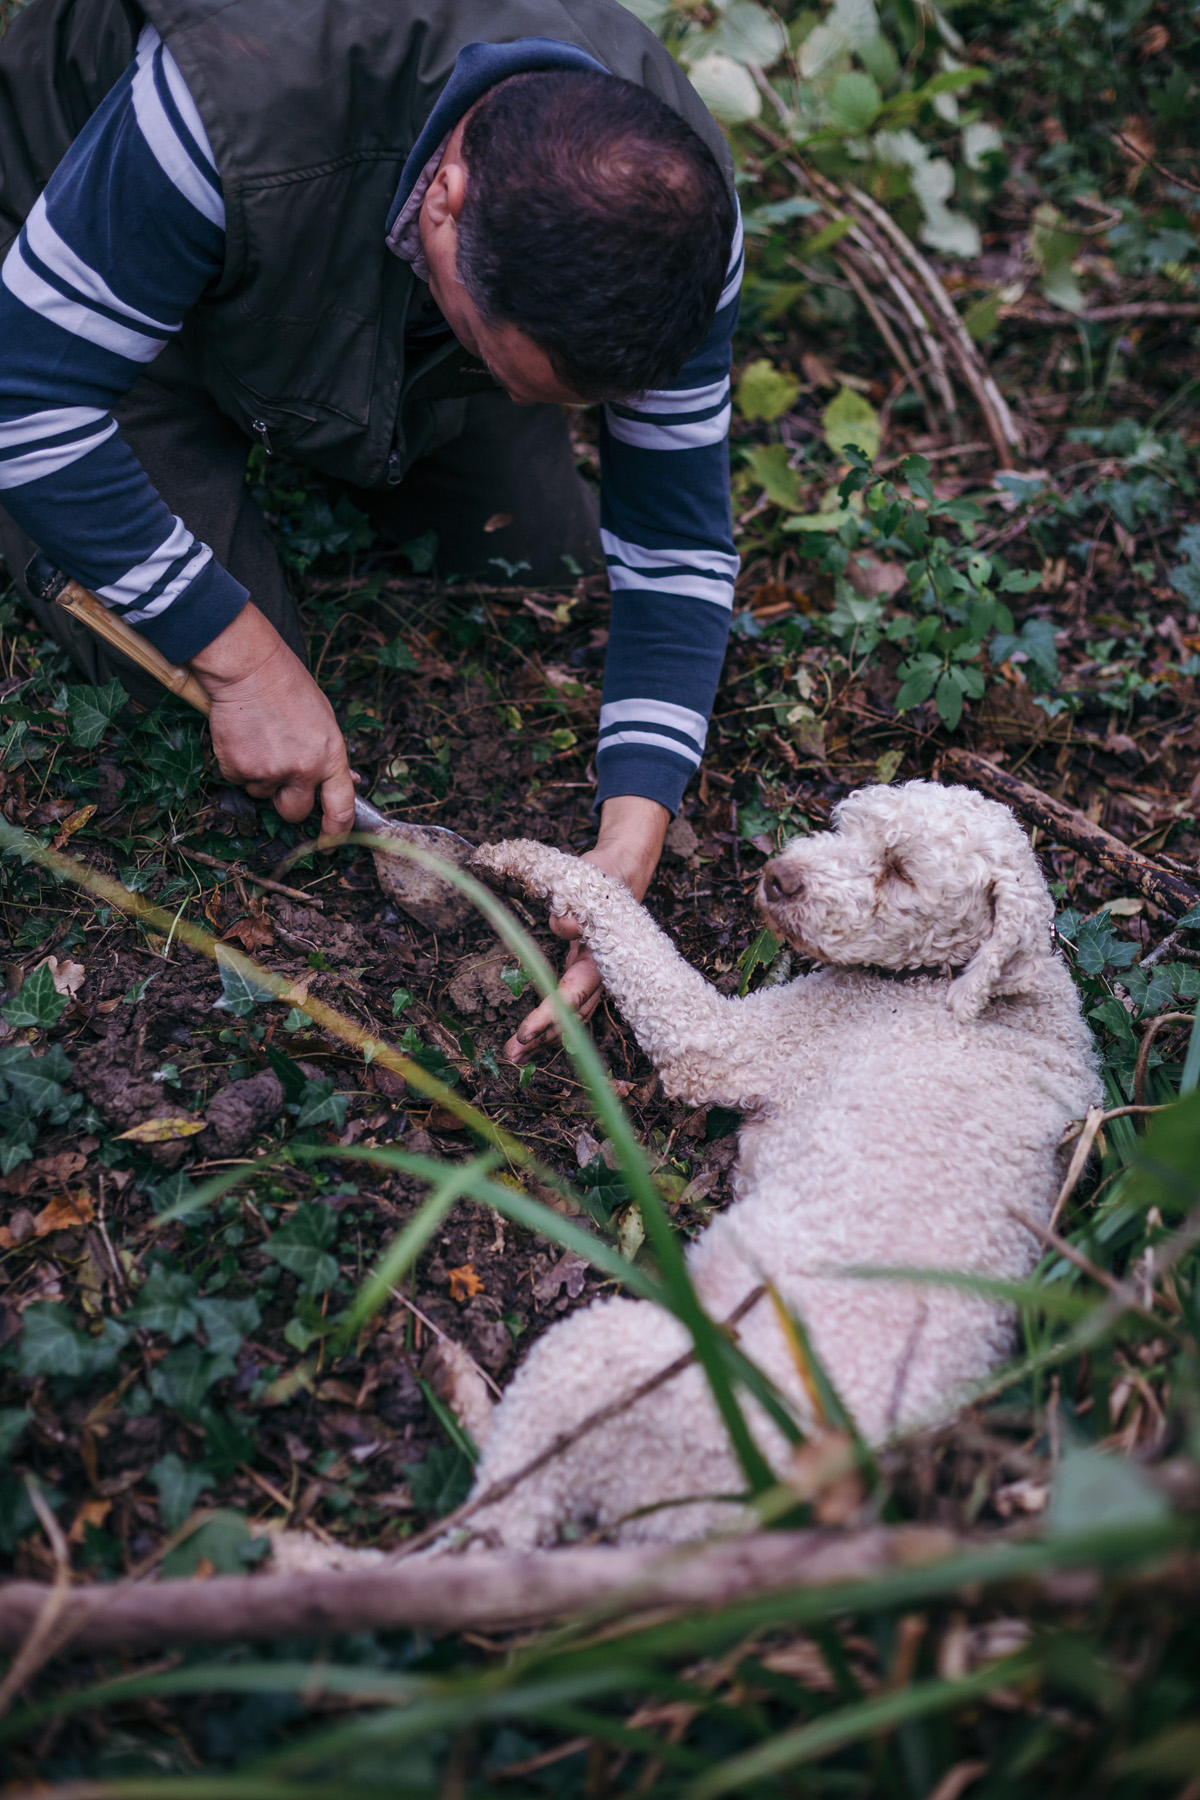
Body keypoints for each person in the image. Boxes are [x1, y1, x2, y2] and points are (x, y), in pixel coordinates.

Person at [0, 0, 742, 1059]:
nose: (533, 408)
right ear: (445, 200)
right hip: (84, 241)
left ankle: (363, 391)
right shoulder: (227, 103)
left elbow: (673, 541)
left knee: (532, 561)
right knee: (225, 704)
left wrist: (631, 834)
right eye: (508, 365)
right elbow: (26, 402)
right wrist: (247, 664)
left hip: (374, 259)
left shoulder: (672, 211)